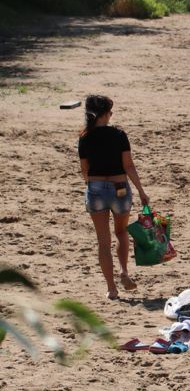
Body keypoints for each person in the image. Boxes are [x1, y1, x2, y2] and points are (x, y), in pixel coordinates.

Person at [78, 95, 149, 300]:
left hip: (96, 188)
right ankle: (124, 272)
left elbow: (85, 170)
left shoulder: (85, 137)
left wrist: (92, 185)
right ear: (104, 114)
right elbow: (128, 166)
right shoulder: (119, 135)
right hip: (120, 188)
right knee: (121, 232)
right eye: (110, 111)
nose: (111, 115)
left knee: (103, 241)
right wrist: (142, 192)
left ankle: (111, 289)